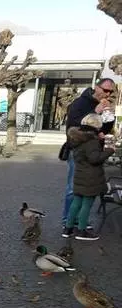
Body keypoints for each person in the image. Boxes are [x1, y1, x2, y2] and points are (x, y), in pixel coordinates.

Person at [61, 78, 116, 228]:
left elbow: (102, 128)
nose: (107, 94)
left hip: (93, 150)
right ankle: (68, 220)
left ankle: (79, 220)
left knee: (87, 188)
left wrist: (109, 117)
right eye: (105, 90)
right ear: (96, 87)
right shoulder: (80, 103)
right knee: (74, 187)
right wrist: (95, 111)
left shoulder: (104, 104)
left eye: (111, 91)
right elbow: (73, 126)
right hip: (78, 150)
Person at [61, 114, 115, 241]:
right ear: (96, 125)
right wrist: (109, 150)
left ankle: (68, 228)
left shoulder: (78, 138)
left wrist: (99, 141)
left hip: (80, 175)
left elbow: (87, 154)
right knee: (87, 203)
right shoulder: (91, 141)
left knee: (76, 202)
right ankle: (82, 230)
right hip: (90, 177)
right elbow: (94, 158)